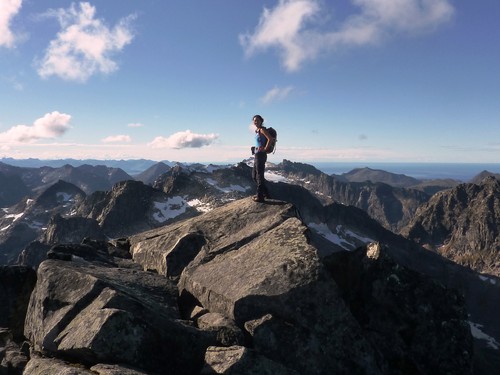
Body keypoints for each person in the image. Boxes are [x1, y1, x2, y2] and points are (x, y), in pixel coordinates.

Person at [251, 114, 272, 202]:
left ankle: (260, 196)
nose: (256, 122)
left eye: (257, 120)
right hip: (257, 154)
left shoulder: (262, 130)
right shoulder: (257, 131)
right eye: (254, 121)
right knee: (254, 176)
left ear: (261, 121)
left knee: (259, 176)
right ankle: (266, 194)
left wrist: (265, 149)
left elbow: (270, 139)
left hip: (261, 155)